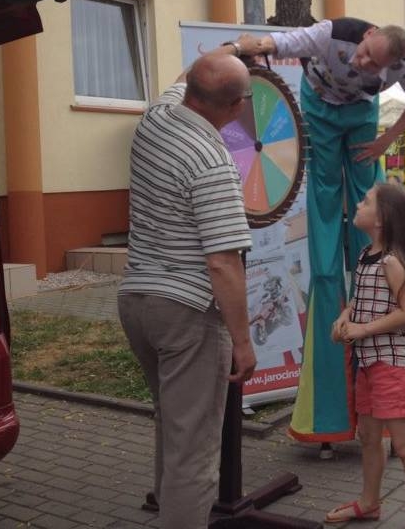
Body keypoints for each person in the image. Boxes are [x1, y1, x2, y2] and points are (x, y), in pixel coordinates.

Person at [259, 18, 405, 443]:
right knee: (324, 216)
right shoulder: (333, 33)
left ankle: (381, 412)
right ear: (368, 34)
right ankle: (330, 414)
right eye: (366, 53)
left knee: (364, 203)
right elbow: (279, 40)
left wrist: (387, 139)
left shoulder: (403, 67)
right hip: (319, 106)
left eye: (374, 64)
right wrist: (237, 49)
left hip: (356, 119)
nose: (363, 61)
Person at [118, 36, 264, 528]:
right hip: (186, 314)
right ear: (237, 105)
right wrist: (243, 341)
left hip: (137, 302)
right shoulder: (213, 160)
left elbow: (183, 78)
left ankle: (167, 508)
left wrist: (227, 49)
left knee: (173, 424)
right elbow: (223, 262)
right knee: (195, 451)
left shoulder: (156, 116)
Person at [326, 183, 405, 528]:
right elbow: (363, 299)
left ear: (381, 219)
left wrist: (362, 330)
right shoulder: (366, 254)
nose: (357, 203)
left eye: (366, 201)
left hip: (393, 367)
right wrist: (345, 318)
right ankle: (369, 504)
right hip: (369, 365)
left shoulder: (392, 262)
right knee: (369, 438)